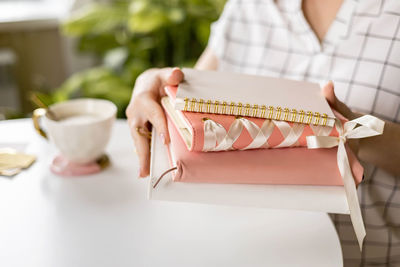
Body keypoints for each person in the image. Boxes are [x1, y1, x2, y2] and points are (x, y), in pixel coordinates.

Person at [126, 0, 400, 265]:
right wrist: (156, 85)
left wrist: (356, 131)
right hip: (242, 250)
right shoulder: (249, 6)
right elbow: (193, 101)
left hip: (364, 258)